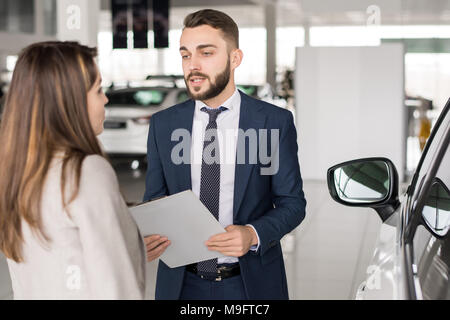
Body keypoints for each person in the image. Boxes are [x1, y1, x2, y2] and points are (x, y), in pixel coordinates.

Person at [143, 9, 306, 300]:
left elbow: (292, 204)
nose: (192, 65)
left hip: (248, 284)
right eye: (185, 55)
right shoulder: (163, 124)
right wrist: (149, 235)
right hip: (180, 284)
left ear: (235, 59)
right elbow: (155, 199)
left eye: (206, 53)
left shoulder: (273, 122)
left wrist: (253, 233)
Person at [0, 41, 145, 299]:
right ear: (71, 100)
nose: (106, 98)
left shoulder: (16, 174)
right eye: (98, 89)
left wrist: (123, 245)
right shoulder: (85, 171)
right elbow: (115, 290)